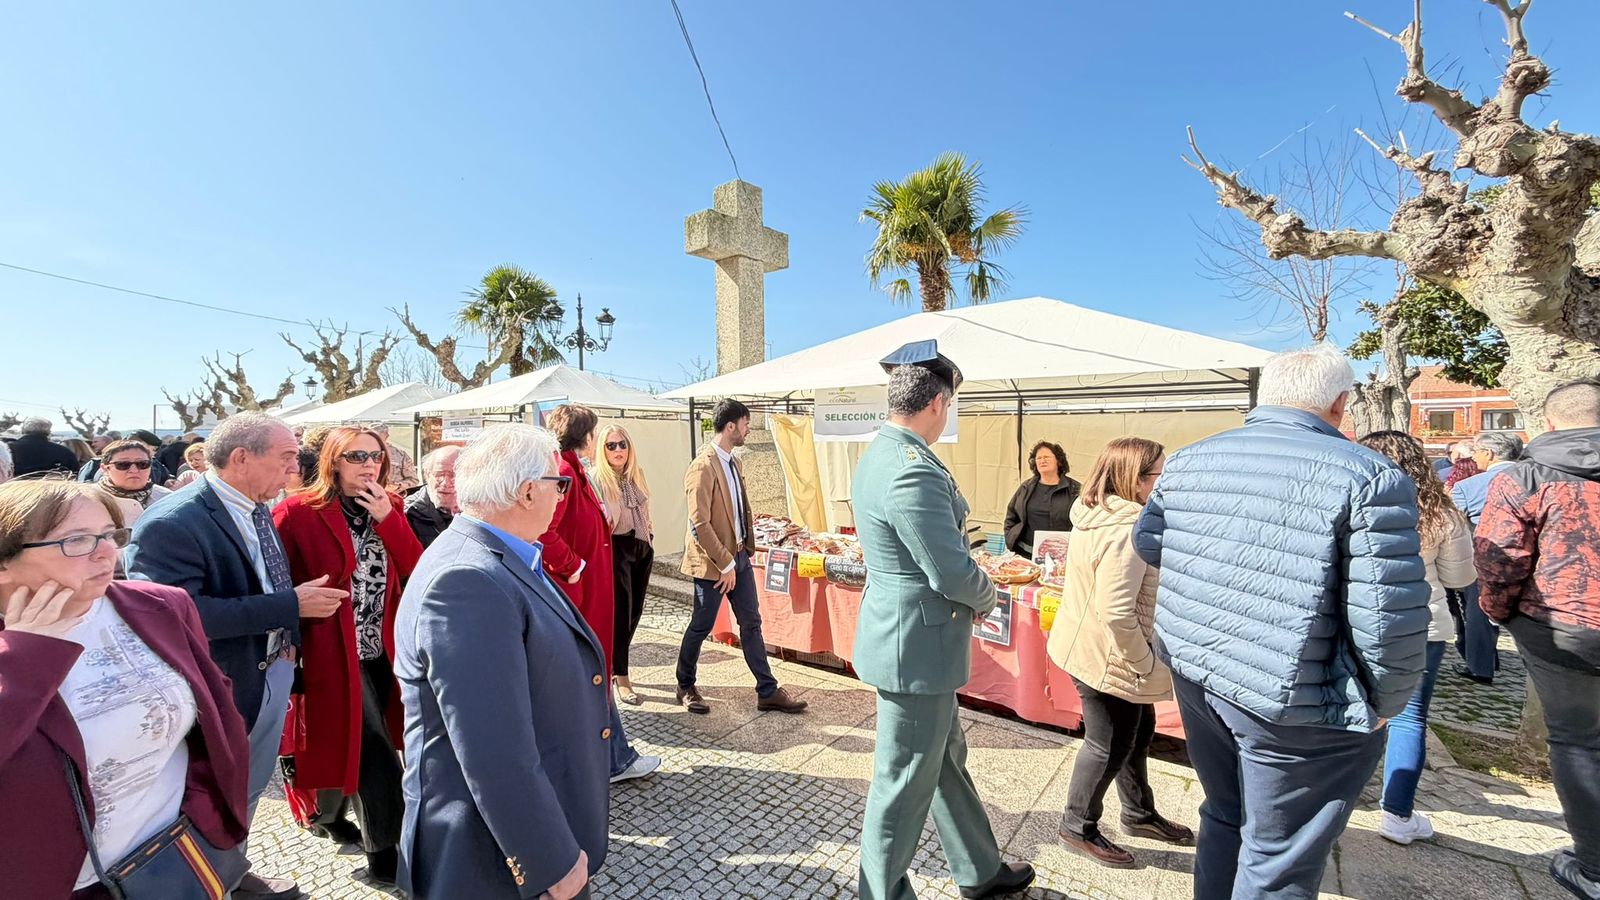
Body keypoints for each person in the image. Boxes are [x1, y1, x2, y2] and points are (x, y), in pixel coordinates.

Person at [1134, 344, 1429, 899]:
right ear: (1341, 403)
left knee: (1225, 814)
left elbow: (1150, 543)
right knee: (1280, 858)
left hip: (1199, 669)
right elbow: (1388, 618)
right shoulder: (1368, 475)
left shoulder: (1192, 458)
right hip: (1296, 694)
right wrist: (1385, 704)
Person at [125, 412, 349, 900]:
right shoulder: (171, 522)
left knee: (244, 788)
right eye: (287, 457)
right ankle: (201, 880)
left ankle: (230, 870)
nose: (295, 470)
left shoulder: (255, 503)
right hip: (220, 685)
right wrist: (290, 605)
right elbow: (174, 616)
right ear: (242, 457)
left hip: (267, 673)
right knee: (211, 793)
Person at [0, 479, 250, 899]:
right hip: (56, 883)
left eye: (108, 534)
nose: (105, 552)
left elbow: (216, 708)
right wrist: (26, 654)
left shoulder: (160, 605)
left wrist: (207, 814)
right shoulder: (14, 647)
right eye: (76, 540)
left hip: (174, 854)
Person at [394, 424, 610, 900]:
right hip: (487, 854)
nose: (562, 497)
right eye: (560, 484)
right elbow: (492, 747)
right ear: (528, 491)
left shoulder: (500, 557)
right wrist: (548, 858)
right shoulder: (467, 579)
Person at [853, 341, 1034, 900]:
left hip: (911, 639)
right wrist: (989, 597)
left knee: (944, 762)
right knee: (903, 780)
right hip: (917, 647)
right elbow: (948, 571)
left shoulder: (886, 452)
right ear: (937, 402)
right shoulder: (911, 468)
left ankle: (979, 869)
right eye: (950, 404)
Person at [272, 426, 423, 885]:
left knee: (360, 743)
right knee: (375, 751)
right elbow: (277, 587)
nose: (368, 464)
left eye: (376, 456)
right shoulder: (297, 512)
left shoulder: (391, 506)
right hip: (329, 654)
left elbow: (416, 570)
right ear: (333, 461)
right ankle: (387, 856)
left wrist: (388, 520)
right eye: (356, 456)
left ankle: (324, 813)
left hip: (384, 648)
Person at [1475, 380, 1600, 900]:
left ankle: (1593, 866)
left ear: (1548, 422)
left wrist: (1497, 615)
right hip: (1559, 624)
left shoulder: (1524, 477)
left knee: (1578, 741)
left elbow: (1499, 557)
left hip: (1561, 626)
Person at [1045, 437, 1192, 868]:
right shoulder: (1127, 527)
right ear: (1135, 478)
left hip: (1091, 645)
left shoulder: (1100, 512)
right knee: (1107, 742)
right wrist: (1144, 663)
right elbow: (1116, 611)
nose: (1165, 482)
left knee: (1138, 730)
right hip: (1108, 654)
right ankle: (1078, 825)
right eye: (1159, 475)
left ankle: (1139, 812)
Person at [1357, 431, 1477, 846]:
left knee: (1352, 709)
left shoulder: (1353, 504)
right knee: (1408, 719)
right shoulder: (1441, 515)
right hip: (1420, 625)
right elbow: (1461, 578)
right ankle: (1397, 813)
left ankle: (1340, 795)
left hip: (1357, 622)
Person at [542, 405, 660, 783]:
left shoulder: (572, 470)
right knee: (592, 675)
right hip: (580, 595)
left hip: (589, 591)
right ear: (588, 437)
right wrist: (574, 566)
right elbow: (546, 531)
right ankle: (615, 760)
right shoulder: (564, 472)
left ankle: (614, 758)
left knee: (592, 676)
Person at [677, 398, 808, 716]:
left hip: (739, 558)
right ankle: (685, 685)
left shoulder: (733, 461)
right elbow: (699, 524)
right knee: (701, 624)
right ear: (731, 426)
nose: (749, 430)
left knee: (751, 623)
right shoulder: (702, 466)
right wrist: (725, 564)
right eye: (746, 424)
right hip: (713, 564)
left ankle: (767, 691)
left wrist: (741, 553)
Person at [1449, 430, 1525, 684]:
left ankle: (1482, 666)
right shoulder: (1539, 478)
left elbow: (1454, 527)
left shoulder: (1469, 486)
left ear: (1488, 454)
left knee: (1478, 612)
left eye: (1477, 451)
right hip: (1536, 557)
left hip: (1485, 559)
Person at [595, 423, 653, 706]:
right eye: (611, 445)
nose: (618, 450)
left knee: (636, 612)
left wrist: (650, 535)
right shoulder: (598, 478)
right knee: (621, 614)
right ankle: (622, 676)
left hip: (642, 546)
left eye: (622, 444)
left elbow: (645, 509)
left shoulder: (636, 474)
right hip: (617, 548)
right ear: (602, 450)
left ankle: (616, 666)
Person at [1003, 440, 1080, 556]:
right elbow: (1011, 515)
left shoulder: (1075, 489)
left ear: (1058, 461)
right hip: (1026, 553)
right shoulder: (1026, 488)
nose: (1042, 460)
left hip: (1064, 555)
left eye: (1047, 457)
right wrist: (1010, 538)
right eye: (1038, 458)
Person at [95, 438, 173, 527]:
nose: (134, 470)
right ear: (105, 468)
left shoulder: (168, 498)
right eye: (123, 464)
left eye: (142, 464)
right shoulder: (88, 500)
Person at [405, 446, 461, 549]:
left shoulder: (480, 509)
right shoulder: (409, 513)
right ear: (427, 475)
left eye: (453, 475)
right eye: (439, 475)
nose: (445, 483)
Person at [11, 417, 80, 477]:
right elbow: (74, 476)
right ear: (49, 431)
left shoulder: (9, 449)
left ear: (23, 430)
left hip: (12, 489)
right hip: (52, 490)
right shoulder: (64, 452)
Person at [371, 424, 420, 493]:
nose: (375, 438)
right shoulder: (361, 454)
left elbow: (413, 480)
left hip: (393, 498)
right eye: (371, 435)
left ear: (386, 435)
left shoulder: (400, 455)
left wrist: (397, 486)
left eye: (378, 435)